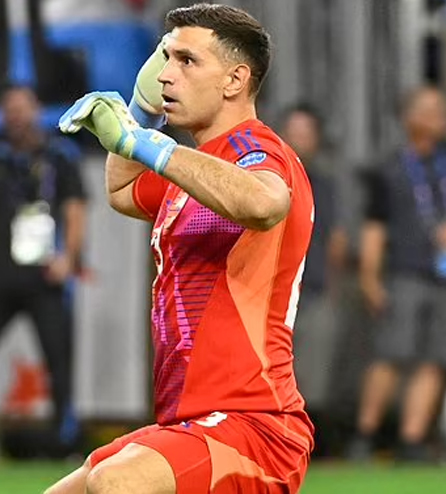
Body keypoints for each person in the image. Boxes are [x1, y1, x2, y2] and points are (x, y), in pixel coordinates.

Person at [48, 3, 314, 493]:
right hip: (192, 424)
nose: (167, 74)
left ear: (234, 80)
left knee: (118, 482)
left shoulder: (256, 150)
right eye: (165, 58)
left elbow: (264, 202)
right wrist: (141, 110)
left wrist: (145, 143)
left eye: (187, 61)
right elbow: (123, 191)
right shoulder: (194, 169)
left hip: (254, 426)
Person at [0, 85, 88, 460]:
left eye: (22, 108)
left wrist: (68, 258)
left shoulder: (60, 156)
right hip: (0, 273)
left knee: (58, 357)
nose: (16, 116)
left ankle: (64, 439)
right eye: (9, 109)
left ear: (37, 110)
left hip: (44, 275)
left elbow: (75, 210)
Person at [349, 86, 446, 462]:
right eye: (427, 109)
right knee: (391, 353)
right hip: (404, 273)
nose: (437, 116)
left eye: (441, 109)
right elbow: (374, 226)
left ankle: (412, 438)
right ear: (408, 117)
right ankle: (365, 434)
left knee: (437, 357)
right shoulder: (389, 168)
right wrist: (370, 276)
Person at [279, 103, 338, 456]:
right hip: (270, 293)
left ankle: (307, 444)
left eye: (306, 133)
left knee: (313, 373)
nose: (300, 140)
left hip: (312, 289)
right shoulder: (265, 176)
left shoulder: (324, 186)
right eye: (294, 132)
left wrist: (331, 282)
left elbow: (335, 239)